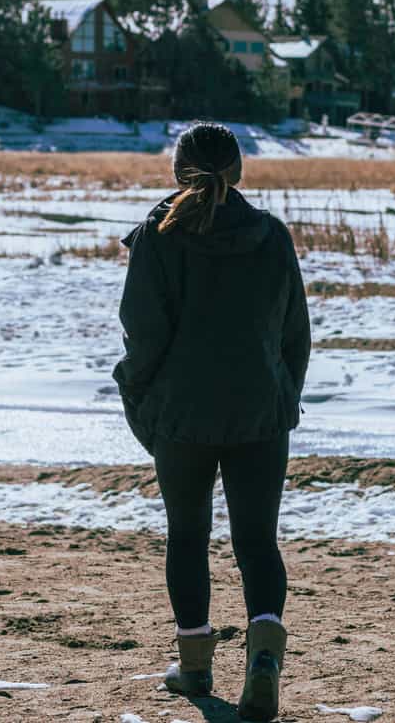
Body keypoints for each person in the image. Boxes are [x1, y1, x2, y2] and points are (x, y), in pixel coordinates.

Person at [113, 122, 310, 722]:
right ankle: (264, 663)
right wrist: (282, 401)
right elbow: (293, 335)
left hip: (181, 415)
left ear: (178, 173)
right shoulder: (271, 236)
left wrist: (139, 401)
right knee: (257, 542)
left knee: (187, 536)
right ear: (239, 171)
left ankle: (196, 665)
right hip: (258, 415)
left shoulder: (158, 238)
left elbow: (143, 336)